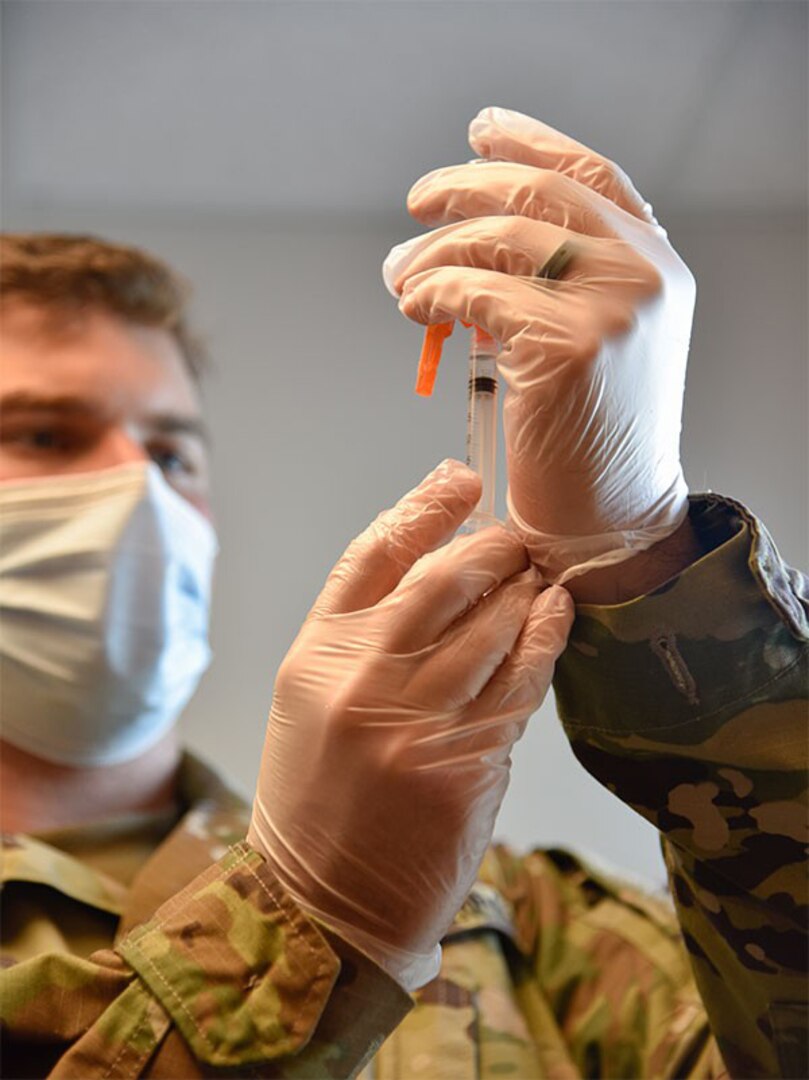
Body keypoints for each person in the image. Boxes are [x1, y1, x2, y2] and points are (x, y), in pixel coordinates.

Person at [0, 109, 805, 1079]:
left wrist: (651, 564)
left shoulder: (503, 924)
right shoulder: (396, 904)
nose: (143, 490)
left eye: (174, 452)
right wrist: (315, 922)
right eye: (43, 435)